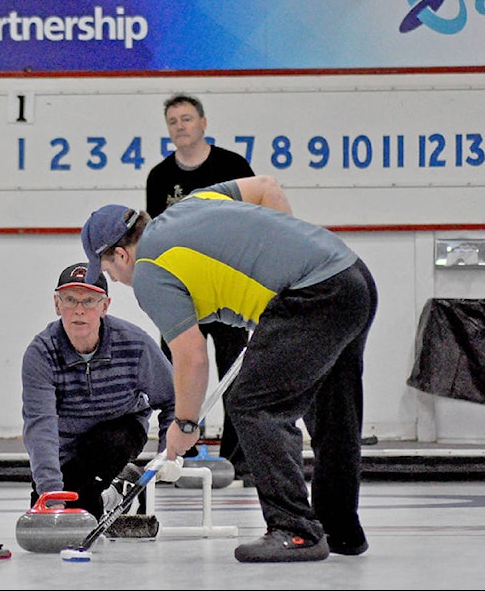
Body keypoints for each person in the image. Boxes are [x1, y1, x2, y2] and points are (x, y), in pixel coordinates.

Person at [80, 175, 378, 563]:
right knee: (333, 412)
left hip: (311, 295)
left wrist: (185, 426)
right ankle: (340, 531)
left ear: (121, 255)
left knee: (254, 406)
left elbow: (191, 357)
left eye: (107, 272)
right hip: (350, 277)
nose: (115, 282)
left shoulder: (150, 271)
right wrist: (287, 253)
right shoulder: (190, 203)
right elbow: (267, 187)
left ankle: (296, 530)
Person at [145, 93, 255, 475]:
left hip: (226, 287)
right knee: (177, 372)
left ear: (203, 123)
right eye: (173, 121)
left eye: (187, 119)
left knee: (233, 377)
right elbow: (156, 235)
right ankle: (180, 456)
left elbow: (251, 222)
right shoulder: (160, 177)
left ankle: (239, 461)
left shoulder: (232, 165)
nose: (180, 126)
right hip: (181, 292)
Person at [21, 262, 175, 520]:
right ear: (57, 305)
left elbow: (173, 399)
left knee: (85, 505)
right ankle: (121, 490)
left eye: (90, 301)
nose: (79, 310)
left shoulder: (135, 344)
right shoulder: (41, 353)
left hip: (120, 432)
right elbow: (40, 426)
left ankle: (111, 491)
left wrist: (169, 454)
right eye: (70, 300)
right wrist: (49, 492)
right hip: (67, 450)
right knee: (53, 511)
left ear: (105, 306)